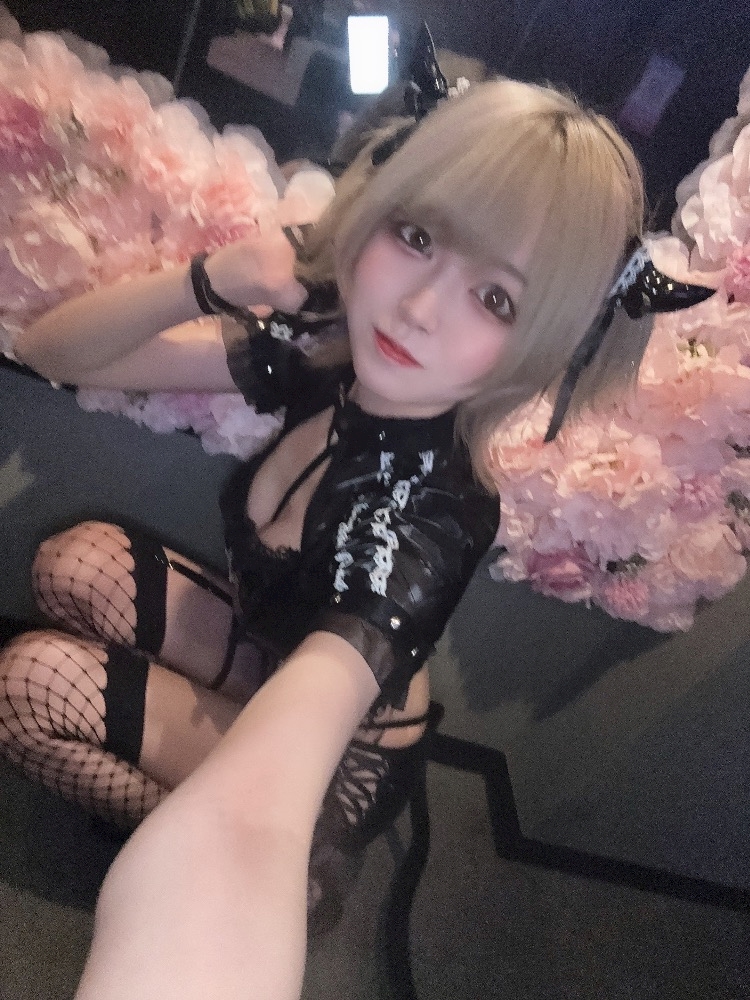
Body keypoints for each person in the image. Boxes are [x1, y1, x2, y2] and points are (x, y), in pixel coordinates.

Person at [1, 76, 653, 999]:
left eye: (496, 300)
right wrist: (214, 277)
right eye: (418, 237)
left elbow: (250, 817)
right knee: (73, 565)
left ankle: (307, 877)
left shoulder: (430, 522)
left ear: (539, 349)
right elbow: (53, 350)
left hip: (336, 758)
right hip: (266, 650)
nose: (419, 307)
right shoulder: (335, 357)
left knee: (30, 688)